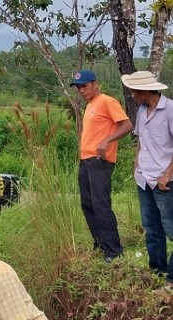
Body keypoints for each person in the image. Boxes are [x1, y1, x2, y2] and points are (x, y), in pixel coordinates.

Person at [71, 69, 133, 263]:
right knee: (87, 204)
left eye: (85, 85)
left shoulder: (107, 101)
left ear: (95, 84)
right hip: (86, 159)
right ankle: (100, 243)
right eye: (78, 87)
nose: (81, 90)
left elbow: (127, 125)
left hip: (100, 161)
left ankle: (114, 251)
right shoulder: (90, 106)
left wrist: (107, 141)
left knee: (101, 204)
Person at [121, 71, 173, 289]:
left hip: (164, 181)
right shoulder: (142, 111)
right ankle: (157, 273)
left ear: (144, 90)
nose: (132, 95)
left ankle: (171, 279)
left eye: (134, 91)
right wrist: (137, 165)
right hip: (144, 179)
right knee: (152, 229)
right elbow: (141, 140)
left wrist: (167, 174)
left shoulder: (170, 110)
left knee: (170, 229)